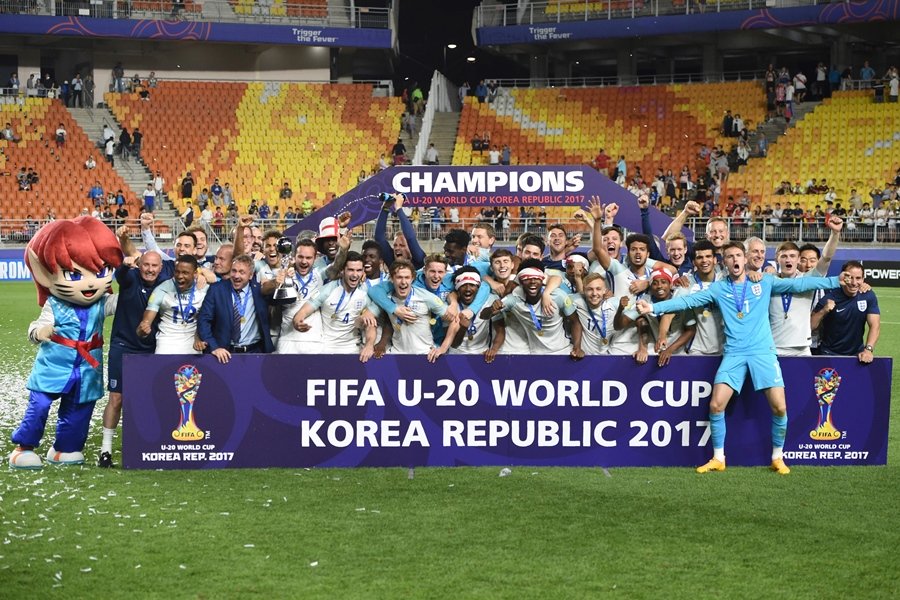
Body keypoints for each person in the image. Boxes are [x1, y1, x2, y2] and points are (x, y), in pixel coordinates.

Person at [636, 242, 846, 475]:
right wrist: (653, 308)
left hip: (763, 352)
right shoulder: (718, 289)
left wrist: (835, 281)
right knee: (716, 405)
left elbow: (800, 283)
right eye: (729, 257)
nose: (734, 260)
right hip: (734, 353)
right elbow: (687, 301)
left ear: (745, 259)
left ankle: (777, 457)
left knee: (780, 407)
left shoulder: (764, 282)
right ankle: (718, 458)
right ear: (724, 262)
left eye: (738, 255)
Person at [291, 251, 376, 360]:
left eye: (359, 270)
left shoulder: (364, 293)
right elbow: (303, 311)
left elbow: (371, 325)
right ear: (342, 270)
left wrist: (369, 345)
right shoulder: (327, 290)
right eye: (351, 270)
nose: (355, 275)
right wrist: (297, 321)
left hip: (353, 349)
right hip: (325, 348)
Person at [197, 254, 273, 363]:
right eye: (234, 271)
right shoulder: (217, 290)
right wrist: (214, 347)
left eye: (242, 272)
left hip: (255, 353)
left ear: (251, 275)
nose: (236, 276)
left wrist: (278, 281)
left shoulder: (259, 290)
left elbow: (283, 302)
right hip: (224, 354)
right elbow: (203, 320)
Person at [138, 255, 208, 355]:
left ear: (195, 273)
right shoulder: (162, 289)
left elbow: (208, 319)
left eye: (185, 273)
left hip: (194, 344)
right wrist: (143, 328)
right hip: (166, 344)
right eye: (177, 271)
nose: (179, 276)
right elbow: (146, 321)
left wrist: (199, 336)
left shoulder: (204, 289)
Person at [812, 260, 880, 363]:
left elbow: (875, 325)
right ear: (843, 277)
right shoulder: (830, 297)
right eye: (850, 278)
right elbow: (811, 326)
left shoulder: (868, 296)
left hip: (856, 355)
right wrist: (823, 311)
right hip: (829, 354)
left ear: (863, 279)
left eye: (858, 278)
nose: (854, 283)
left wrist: (868, 349)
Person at [448, 268, 505, 362]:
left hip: (483, 355)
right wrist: (462, 328)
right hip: (456, 355)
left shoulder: (491, 300)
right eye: (463, 285)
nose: (468, 289)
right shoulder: (451, 305)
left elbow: (500, 330)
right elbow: (453, 344)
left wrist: (494, 349)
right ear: (457, 288)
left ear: (479, 287)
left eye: (472, 285)